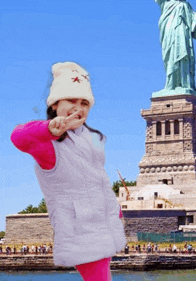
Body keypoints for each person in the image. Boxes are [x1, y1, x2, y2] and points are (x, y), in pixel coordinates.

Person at [11, 62, 126, 281]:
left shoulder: (92, 141)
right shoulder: (49, 144)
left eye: (84, 103)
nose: (79, 107)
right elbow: (18, 137)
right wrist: (49, 129)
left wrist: (115, 212)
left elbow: (97, 182)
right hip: (80, 228)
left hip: (102, 225)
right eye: (71, 100)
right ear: (55, 104)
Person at [154, 0, 196, 91]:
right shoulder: (165, 1)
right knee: (170, 58)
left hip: (182, 34)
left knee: (183, 57)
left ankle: (186, 84)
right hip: (169, 34)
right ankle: (170, 84)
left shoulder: (185, 5)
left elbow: (193, 26)